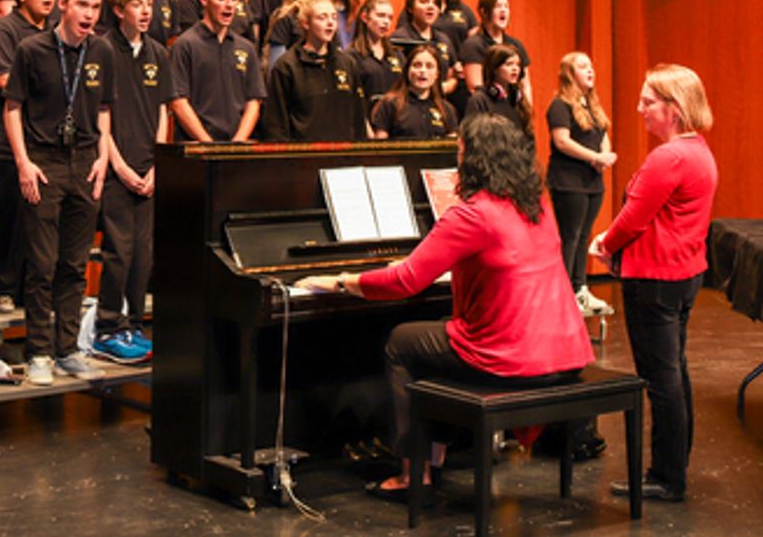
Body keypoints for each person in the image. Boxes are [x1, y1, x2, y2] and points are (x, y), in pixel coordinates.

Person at [298, 114, 593, 499]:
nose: (457, 159)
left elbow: (406, 280)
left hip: (515, 356)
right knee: (437, 333)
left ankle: (413, 472)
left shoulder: (472, 213)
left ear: (474, 159)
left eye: (459, 151)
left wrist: (343, 280)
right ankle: (433, 457)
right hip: (564, 348)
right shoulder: (536, 203)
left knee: (403, 341)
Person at [590, 65, 717, 503]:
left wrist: (605, 244)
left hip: (655, 279)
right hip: (683, 275)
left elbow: (633, 218)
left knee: (662, 380)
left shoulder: (668, 158)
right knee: (674, 373)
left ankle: (667, 477)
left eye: (649, 101)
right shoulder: (698, 151)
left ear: (675, 109)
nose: (640, 109)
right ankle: (673, 467)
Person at [4, 0, 113, 386]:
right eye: (82, 5)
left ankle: (67, 349)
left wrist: (103, 158)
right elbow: (12, 108)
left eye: (95, 8)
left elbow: (104, 109)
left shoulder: (101, 50)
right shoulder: (32, 49)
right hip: (43, 161)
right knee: (42, 264)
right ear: (63, 5)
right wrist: (23, 162)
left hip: (85, 161)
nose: (89, 14)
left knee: (74, 264)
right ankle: (38, 352)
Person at [93, 0, 173, 363]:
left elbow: (162, 110)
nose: (145, 10)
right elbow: (99, 115)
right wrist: (118, 165)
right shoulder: (103, 49)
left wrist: (159, 161)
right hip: (115, 167)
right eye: (136, 4)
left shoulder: (158, 52)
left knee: (143, 254)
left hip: (149, 167)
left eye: (149, 3)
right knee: (118, 251)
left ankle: (134, 325)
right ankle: (108, 327)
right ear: (119, 9)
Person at [0, 0, 56, 316]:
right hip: (7, 140)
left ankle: (32, 289)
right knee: (11, 219)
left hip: (46, 139)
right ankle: (3, 289)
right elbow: (4, 82)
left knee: (39, 221)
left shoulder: (56, 32)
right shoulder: (3, 29)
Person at [547, 52, 616, 317]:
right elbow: (562, 141)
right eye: (583, 66)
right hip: (569, 182)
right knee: (570, 237)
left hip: (592, 181)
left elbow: (603, 134)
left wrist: (605, 156)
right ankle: (564, 294)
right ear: (569, 73)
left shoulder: (591, 105)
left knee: (583, 235)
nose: (591, 71)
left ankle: (580, 288)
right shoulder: (560, 106)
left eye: (591, 65)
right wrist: (595, 157)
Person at [169, 0, 264, 142]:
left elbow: (254, 101)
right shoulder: (185, 45)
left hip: (235, 149)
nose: (229, 5)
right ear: (204, 0)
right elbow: (178, 102)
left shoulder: (246, 48)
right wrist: (207, 144)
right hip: (197, 149)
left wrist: (238, 142)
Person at [261, 0, 367, 142]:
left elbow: (358, 119)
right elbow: (276, 125)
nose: (330, 23)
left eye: (333, 17)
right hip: (303, 158)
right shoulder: (286, 66)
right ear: (305, 23)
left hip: (342, 157)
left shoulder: (347, 63)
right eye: (322, 18)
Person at [461, 0, 533, 107]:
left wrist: (527, 114)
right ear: (484, 12)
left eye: (506, 6)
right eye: (498, 6)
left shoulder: (516, 45)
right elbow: (475, 88)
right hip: (488, 112)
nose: (503, 10)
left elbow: (526, 85)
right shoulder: (474, 44)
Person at [371, 44, 458, 139]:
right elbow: (380, 148)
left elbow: (452, 147)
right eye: (417, 65)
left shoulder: (446, 109)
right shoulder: (390, 104)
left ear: (437, 74)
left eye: (429, 66)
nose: (422, 71)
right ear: (407, 70)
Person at [391, 0, 458, 95]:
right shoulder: (399, 39)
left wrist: (448, 85)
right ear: (410, 8)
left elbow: (452, 77)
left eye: (435, 3)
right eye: (424, 2)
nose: (431, 6)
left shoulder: (444, 39)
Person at [463, 44, 534, 146]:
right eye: (509, 64)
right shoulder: (479, 100)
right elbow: (473, 139)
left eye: (518, 65)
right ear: (495, 69)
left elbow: (528, 137)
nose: (515, 69)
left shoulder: (518, 98)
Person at [348, 0, 404, 114]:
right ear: (365, 17)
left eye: (390, 17)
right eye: (381, 15)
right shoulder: (352, 56)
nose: (386, 22)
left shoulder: (397, 54)